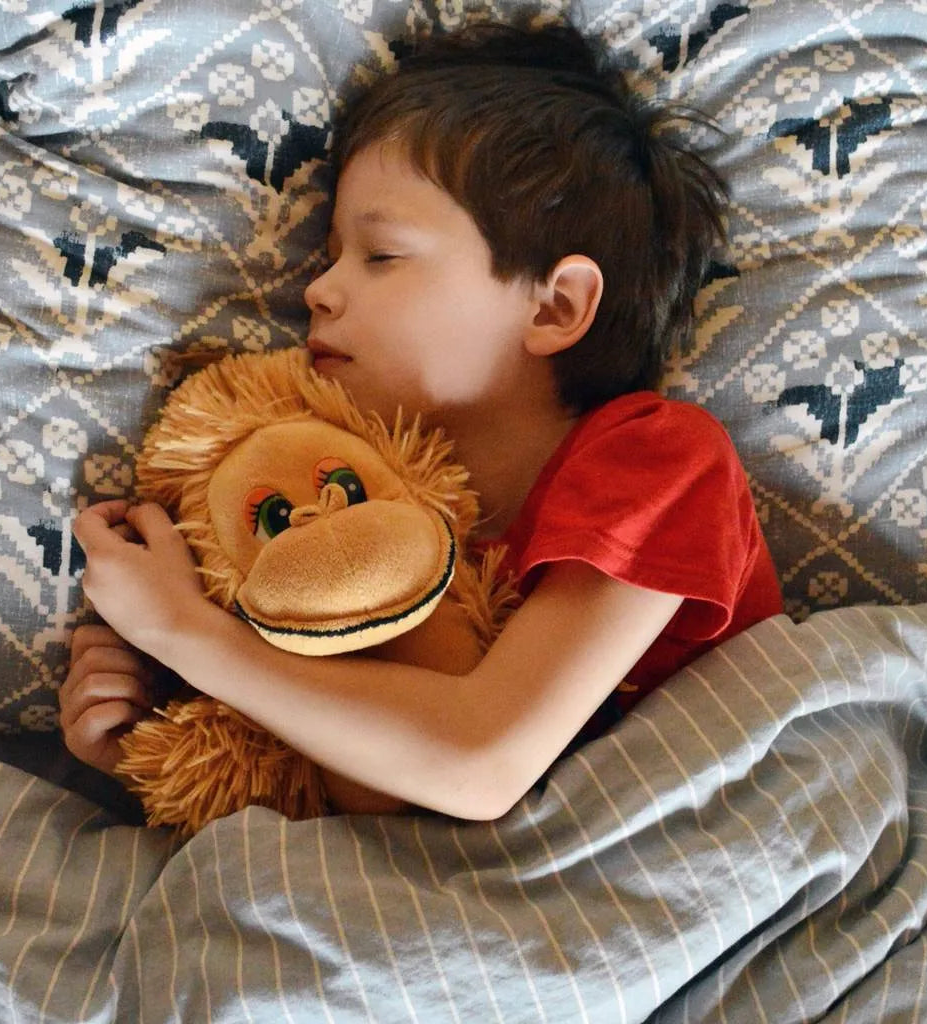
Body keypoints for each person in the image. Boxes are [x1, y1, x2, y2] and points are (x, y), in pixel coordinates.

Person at [60, 21, 783, 821]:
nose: (318, 290)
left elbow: (479, 762)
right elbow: (379, 806)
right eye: (328, 256)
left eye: (380, 256)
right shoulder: (341, 502)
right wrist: (150, 734)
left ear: (554, 306)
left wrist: (184, 633)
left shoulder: (659, 458)